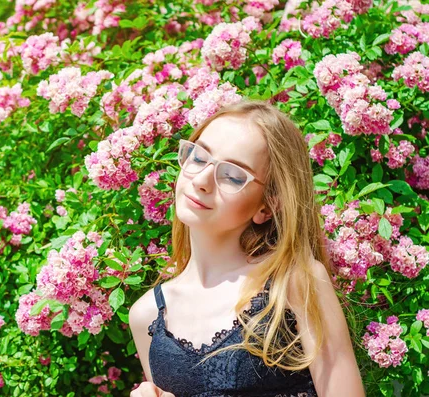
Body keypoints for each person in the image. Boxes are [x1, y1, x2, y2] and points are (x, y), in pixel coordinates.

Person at [128, 100, 366, 397]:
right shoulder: (146, 315)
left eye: (232, 176)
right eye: (199, 158)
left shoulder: (293, 283)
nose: (202, 181)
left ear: (268, 205)